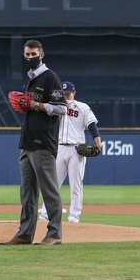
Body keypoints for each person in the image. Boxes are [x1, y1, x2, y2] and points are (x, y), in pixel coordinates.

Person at [0, 39, 67, 245]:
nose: (30, 58)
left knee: (49, 190)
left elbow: (62, 108)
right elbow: (30, 105)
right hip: (27, 140)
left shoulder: (50, 77)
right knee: (27, 192)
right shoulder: (30, 78)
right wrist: (27, 105)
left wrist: (36, 105)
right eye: (27, 55)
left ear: (42, 54)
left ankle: (54, 233)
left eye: (33, 54)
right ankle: (25, 234)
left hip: (43, 141)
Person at [37, 81, 102, 223]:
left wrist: (98, 141)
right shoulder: (55, 107)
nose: (66, 96)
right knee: (53, 184)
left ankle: (74, 217)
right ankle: (45, 214)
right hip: (59, 148)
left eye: (68, 93)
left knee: (76, 185)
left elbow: (91, 125)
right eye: (64, 94)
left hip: (76, 150)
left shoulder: (82, 107)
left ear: (74, 92)